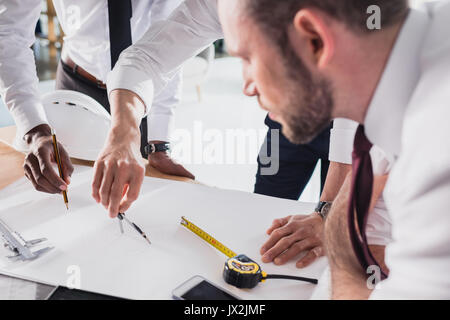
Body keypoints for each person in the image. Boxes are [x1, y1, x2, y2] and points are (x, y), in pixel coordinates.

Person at [96, 0, 390, 271]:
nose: (246, 88)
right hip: (289, 112)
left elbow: (359, 123)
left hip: (364, 118)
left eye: (256, 56)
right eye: (241, 57)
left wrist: (327, 214)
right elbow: (147, 57)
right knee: (265, 211)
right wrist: (124, 133)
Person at [218, 0, 450, 299]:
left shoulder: (435, 147)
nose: (247, 86)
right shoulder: (403, 61)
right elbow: (365, 250)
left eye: (248, 57)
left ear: (314, 38)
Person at [0, 0, 193, 196]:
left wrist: (158, 142)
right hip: (77, 84)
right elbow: (9, 34)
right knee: (63, 185)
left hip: (141, 91)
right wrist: (34, 129)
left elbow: (169, 40)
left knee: (133, 190)